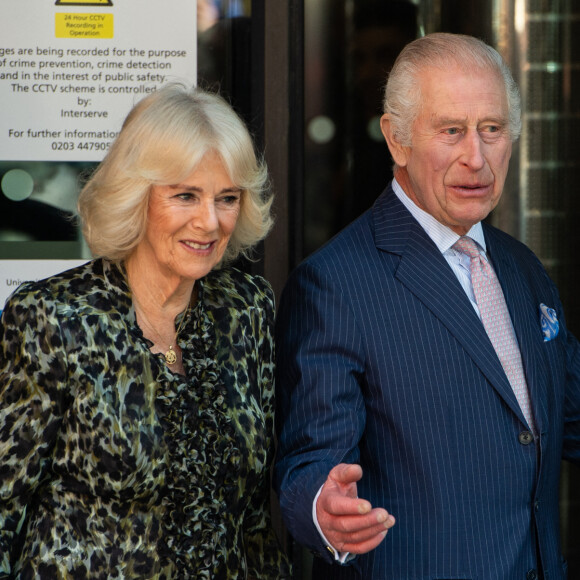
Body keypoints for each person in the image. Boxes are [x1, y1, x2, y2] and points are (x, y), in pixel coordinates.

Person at [274, 33, 580, 579]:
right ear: (396, 139)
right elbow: (309, 462)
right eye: (452, 131)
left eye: (492, 129)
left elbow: (569, 414)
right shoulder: (334, 284)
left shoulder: (522, 267)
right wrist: (325, 510)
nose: (476, 157)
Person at [0, 83, 291, 579]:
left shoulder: (248, 308)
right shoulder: (52, 317)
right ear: (137, 197)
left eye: (227, 198)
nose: (210, 221)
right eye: (185, 195)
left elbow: (253, 522)